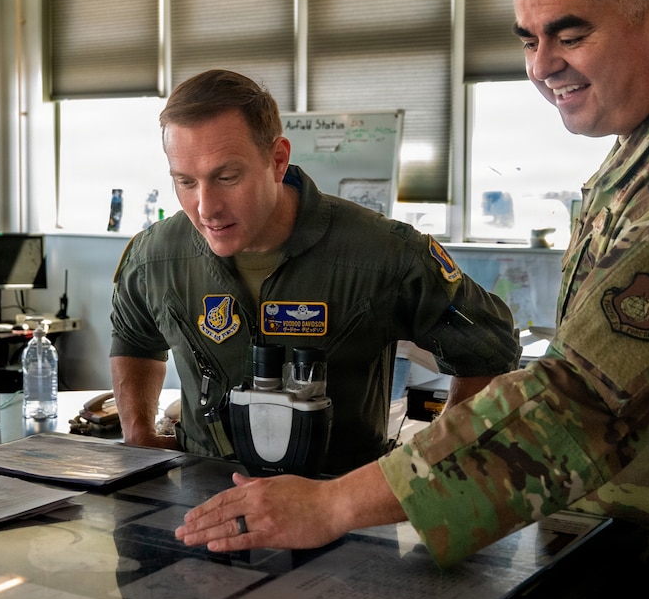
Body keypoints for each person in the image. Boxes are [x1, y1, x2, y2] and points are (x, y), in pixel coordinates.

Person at [175, 0, 649, 599]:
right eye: (530, 39)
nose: (541, 65)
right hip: (631, 557)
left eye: (570, 34)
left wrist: (333, 503)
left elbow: (576, 407)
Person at [109, 68, 522, 477]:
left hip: (343, 509)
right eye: (185, 181)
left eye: (227, 177)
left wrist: (432, 462)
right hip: (202, 501)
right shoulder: (156, 257)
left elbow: (489, 349)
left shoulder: (381, 253)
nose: (205, 207)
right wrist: (139, 434)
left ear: (277, 159)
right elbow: (134, 338)